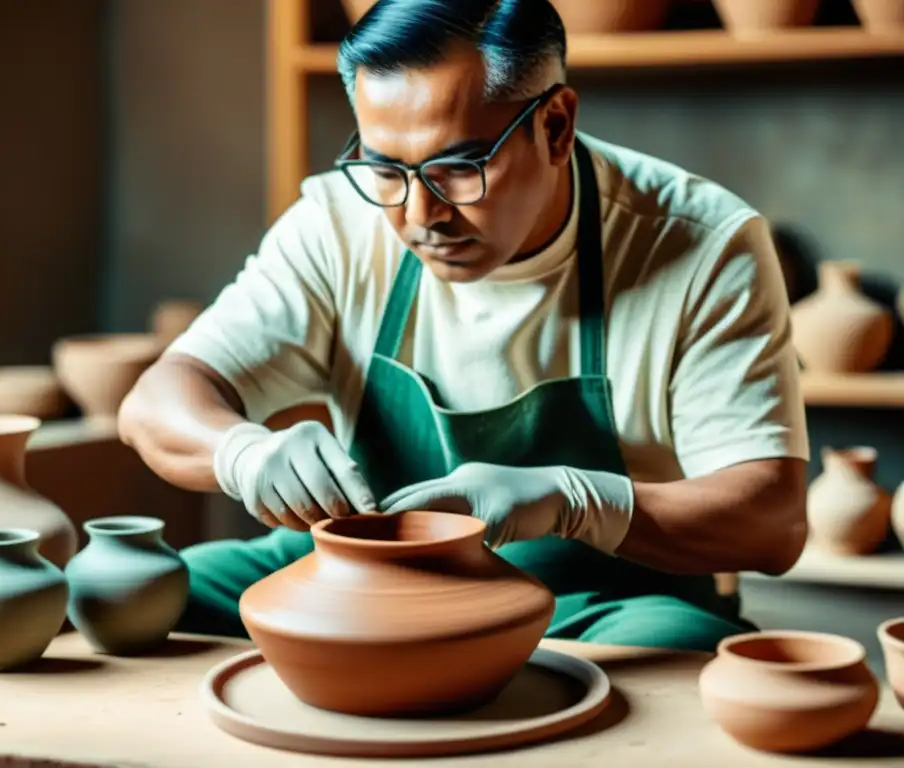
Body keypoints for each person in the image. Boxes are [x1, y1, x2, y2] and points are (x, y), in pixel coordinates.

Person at [118, 0, 809, 652]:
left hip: (597, 597)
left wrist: (574, 502)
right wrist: (243, 453)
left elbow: (774, 525)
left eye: (459, 167)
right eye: (388, 169)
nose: (421, 214)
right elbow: (156, 402)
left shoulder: (702, 245)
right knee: (133, 590)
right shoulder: (339, 222)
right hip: (363, 573)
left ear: (556, 128)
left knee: (681, 649)